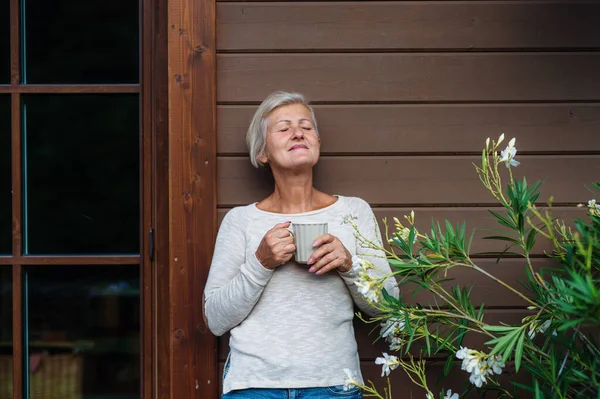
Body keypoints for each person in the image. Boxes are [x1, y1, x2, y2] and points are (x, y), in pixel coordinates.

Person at [203, 91, 397, 398]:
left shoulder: (354, 212)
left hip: (334, 385)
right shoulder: (240, 221)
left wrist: (349, 265)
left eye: (306, 127)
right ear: (262, 152)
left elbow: (388, 308)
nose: (298, 132)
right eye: (283, 128)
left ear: (318, 142)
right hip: (255, 387)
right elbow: (215, 319)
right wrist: (260, 263)